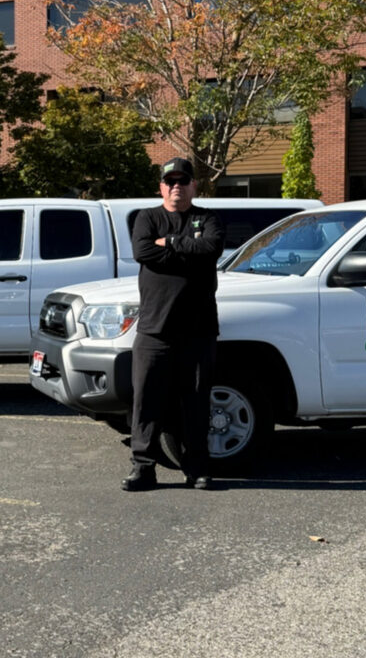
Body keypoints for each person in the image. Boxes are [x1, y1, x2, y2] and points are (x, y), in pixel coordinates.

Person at [122, 157, 225, 492]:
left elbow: (211, 248)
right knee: (146, 402)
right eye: (170, 182)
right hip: (154, 330)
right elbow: (143, 253)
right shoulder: (147, 218)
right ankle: (144, 469)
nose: (176, 187)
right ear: (161, 187)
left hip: (198, 331)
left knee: (196, 403)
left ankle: (197, 469)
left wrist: (171, 243)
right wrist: (187, 255)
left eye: (183, 181)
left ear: (194, 185)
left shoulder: (207, 218)